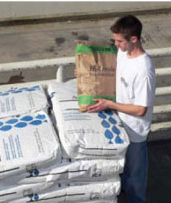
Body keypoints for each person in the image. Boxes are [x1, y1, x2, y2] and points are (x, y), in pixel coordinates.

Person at [87, 15, 156, 203]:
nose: (116, 44)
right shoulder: (124, 53)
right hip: (119, 121)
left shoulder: (144, 70)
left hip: (135, 130)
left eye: (119, 41)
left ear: (134, 39)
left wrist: (110, 105)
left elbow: (141, 109)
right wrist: (85, 71)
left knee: (135, 174)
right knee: (122, 168)